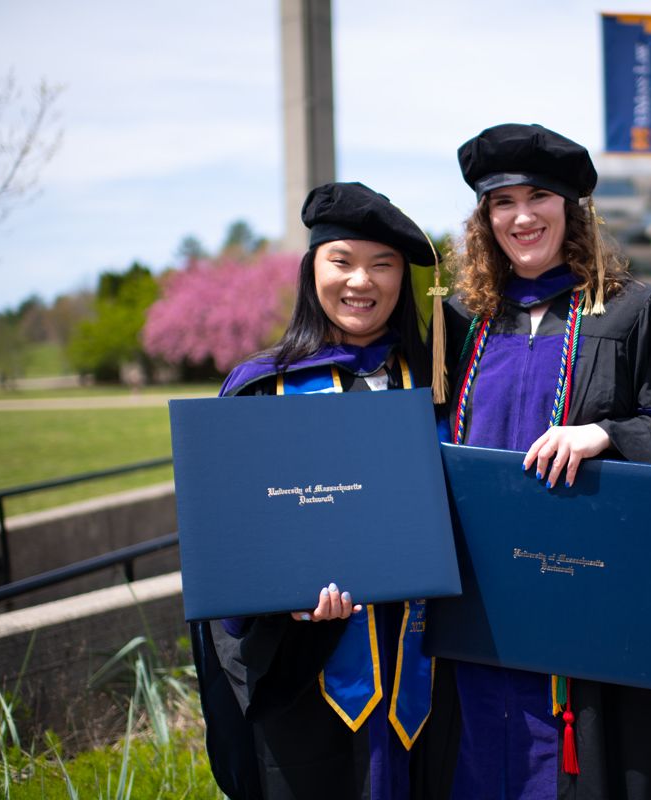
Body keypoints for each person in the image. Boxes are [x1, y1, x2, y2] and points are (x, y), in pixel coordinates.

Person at [425, 123, 651, 800]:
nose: (521, 215)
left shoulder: (636, 314)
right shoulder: (457, 321)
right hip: (475, 602)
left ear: (573, 209)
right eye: (502, 201)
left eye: (539, 196)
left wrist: (609, 436)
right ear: (484, 217)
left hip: (585, 601)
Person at [189, 181, 443, 800]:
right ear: (312, 272)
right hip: (307, 679)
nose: (362, 281)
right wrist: (283, 600)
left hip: (433, 677)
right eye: (342, 261)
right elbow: (231, 544)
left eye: (383, 265)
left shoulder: (441, 383)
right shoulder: (259, 390)